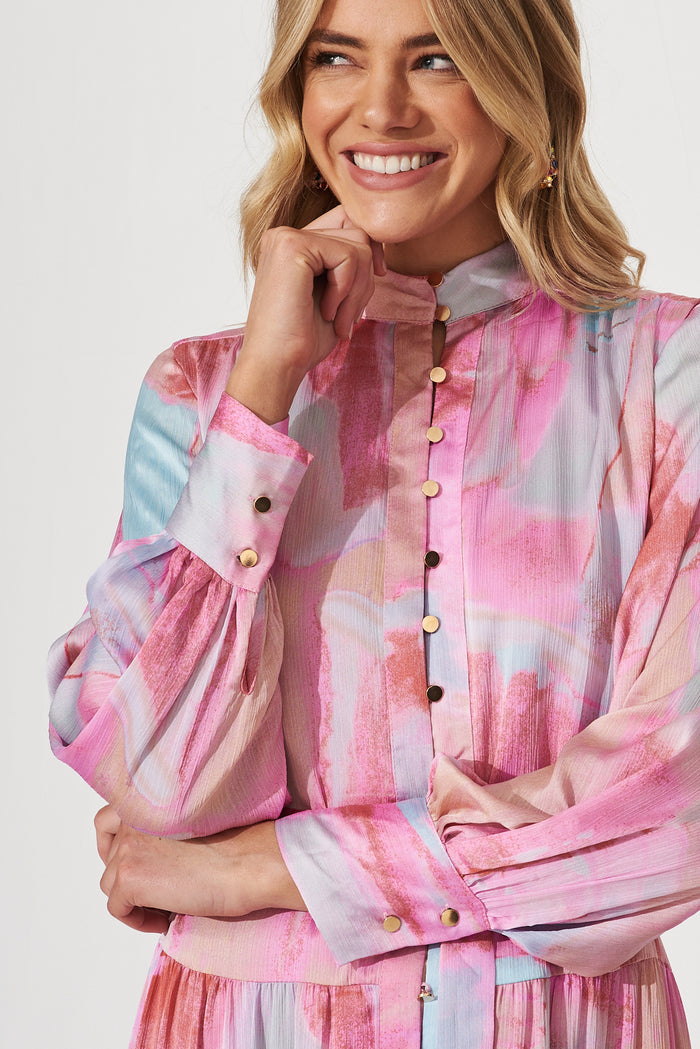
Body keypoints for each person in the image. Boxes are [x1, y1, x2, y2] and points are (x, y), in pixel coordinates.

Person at [48, 0, 700, 1045]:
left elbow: (668, 813)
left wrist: (263, 870)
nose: (380, 108)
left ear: (520, 85)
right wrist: (262, 394)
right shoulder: (203, 393)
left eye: (435, 59)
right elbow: (160, 779)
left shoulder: (666, 379)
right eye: (336, 58)